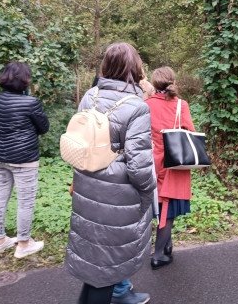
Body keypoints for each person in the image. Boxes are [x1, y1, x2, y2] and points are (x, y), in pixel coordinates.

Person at [64, 43, 155, 304]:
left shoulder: (90, 95)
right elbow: (138, 165)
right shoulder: (137, 106)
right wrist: (147, 193)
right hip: (117, 196)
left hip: (87, 186)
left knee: (96, 262)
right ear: (135, 68)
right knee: (106, 268)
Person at [0, 62, 49, 258]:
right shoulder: (31, 103)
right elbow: (44, 127)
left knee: (0, 196)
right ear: (24, 80)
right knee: (25, 203)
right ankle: (23, 245)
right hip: (23, 158)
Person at [145, 66, 195, 269]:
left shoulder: (146, 104)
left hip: (152, 164)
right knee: (168, 209)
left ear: (154, 83)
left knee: (158, 206)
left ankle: (167, 245)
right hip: (174, 164)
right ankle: (158, 255)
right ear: (173, 81)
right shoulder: (181, 105)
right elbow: (190, 131)